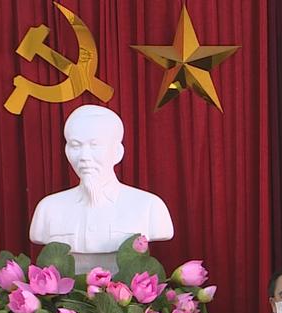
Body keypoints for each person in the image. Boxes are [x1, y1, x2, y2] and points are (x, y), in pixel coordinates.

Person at [29, 104, 174, 273]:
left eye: (95, 145)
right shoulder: (48, 208)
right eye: (75, 145)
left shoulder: (149, 206)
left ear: (118, 152)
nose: (84, 157)